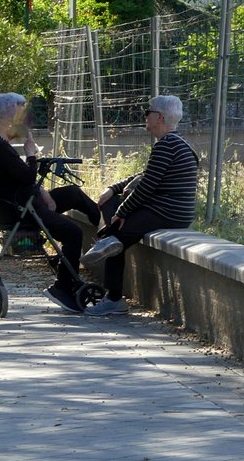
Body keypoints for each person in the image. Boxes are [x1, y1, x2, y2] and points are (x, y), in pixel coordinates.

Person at [0, 92, 101, 314]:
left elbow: (19, 179)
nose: (26, 117)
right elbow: (26, 177)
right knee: (72, 232)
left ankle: (104, 229)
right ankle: (62, 287)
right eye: (22, 111)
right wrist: (31, 154)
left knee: (72, 192)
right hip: (20, 211)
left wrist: (42, 190)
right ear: (10, 115)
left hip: (24, 204)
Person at [81, 94, 198, 316]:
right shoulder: (174, 143)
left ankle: (113, 296)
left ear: (160, 117)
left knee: (116, 234)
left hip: (168, 212)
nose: (145, 116)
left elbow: (146, 188)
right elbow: (144, 176)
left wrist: (121, 212)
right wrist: (114, 189)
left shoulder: (167, 145)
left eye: (148, 113)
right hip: (170, 210)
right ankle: (104, 240)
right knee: (113, 218)